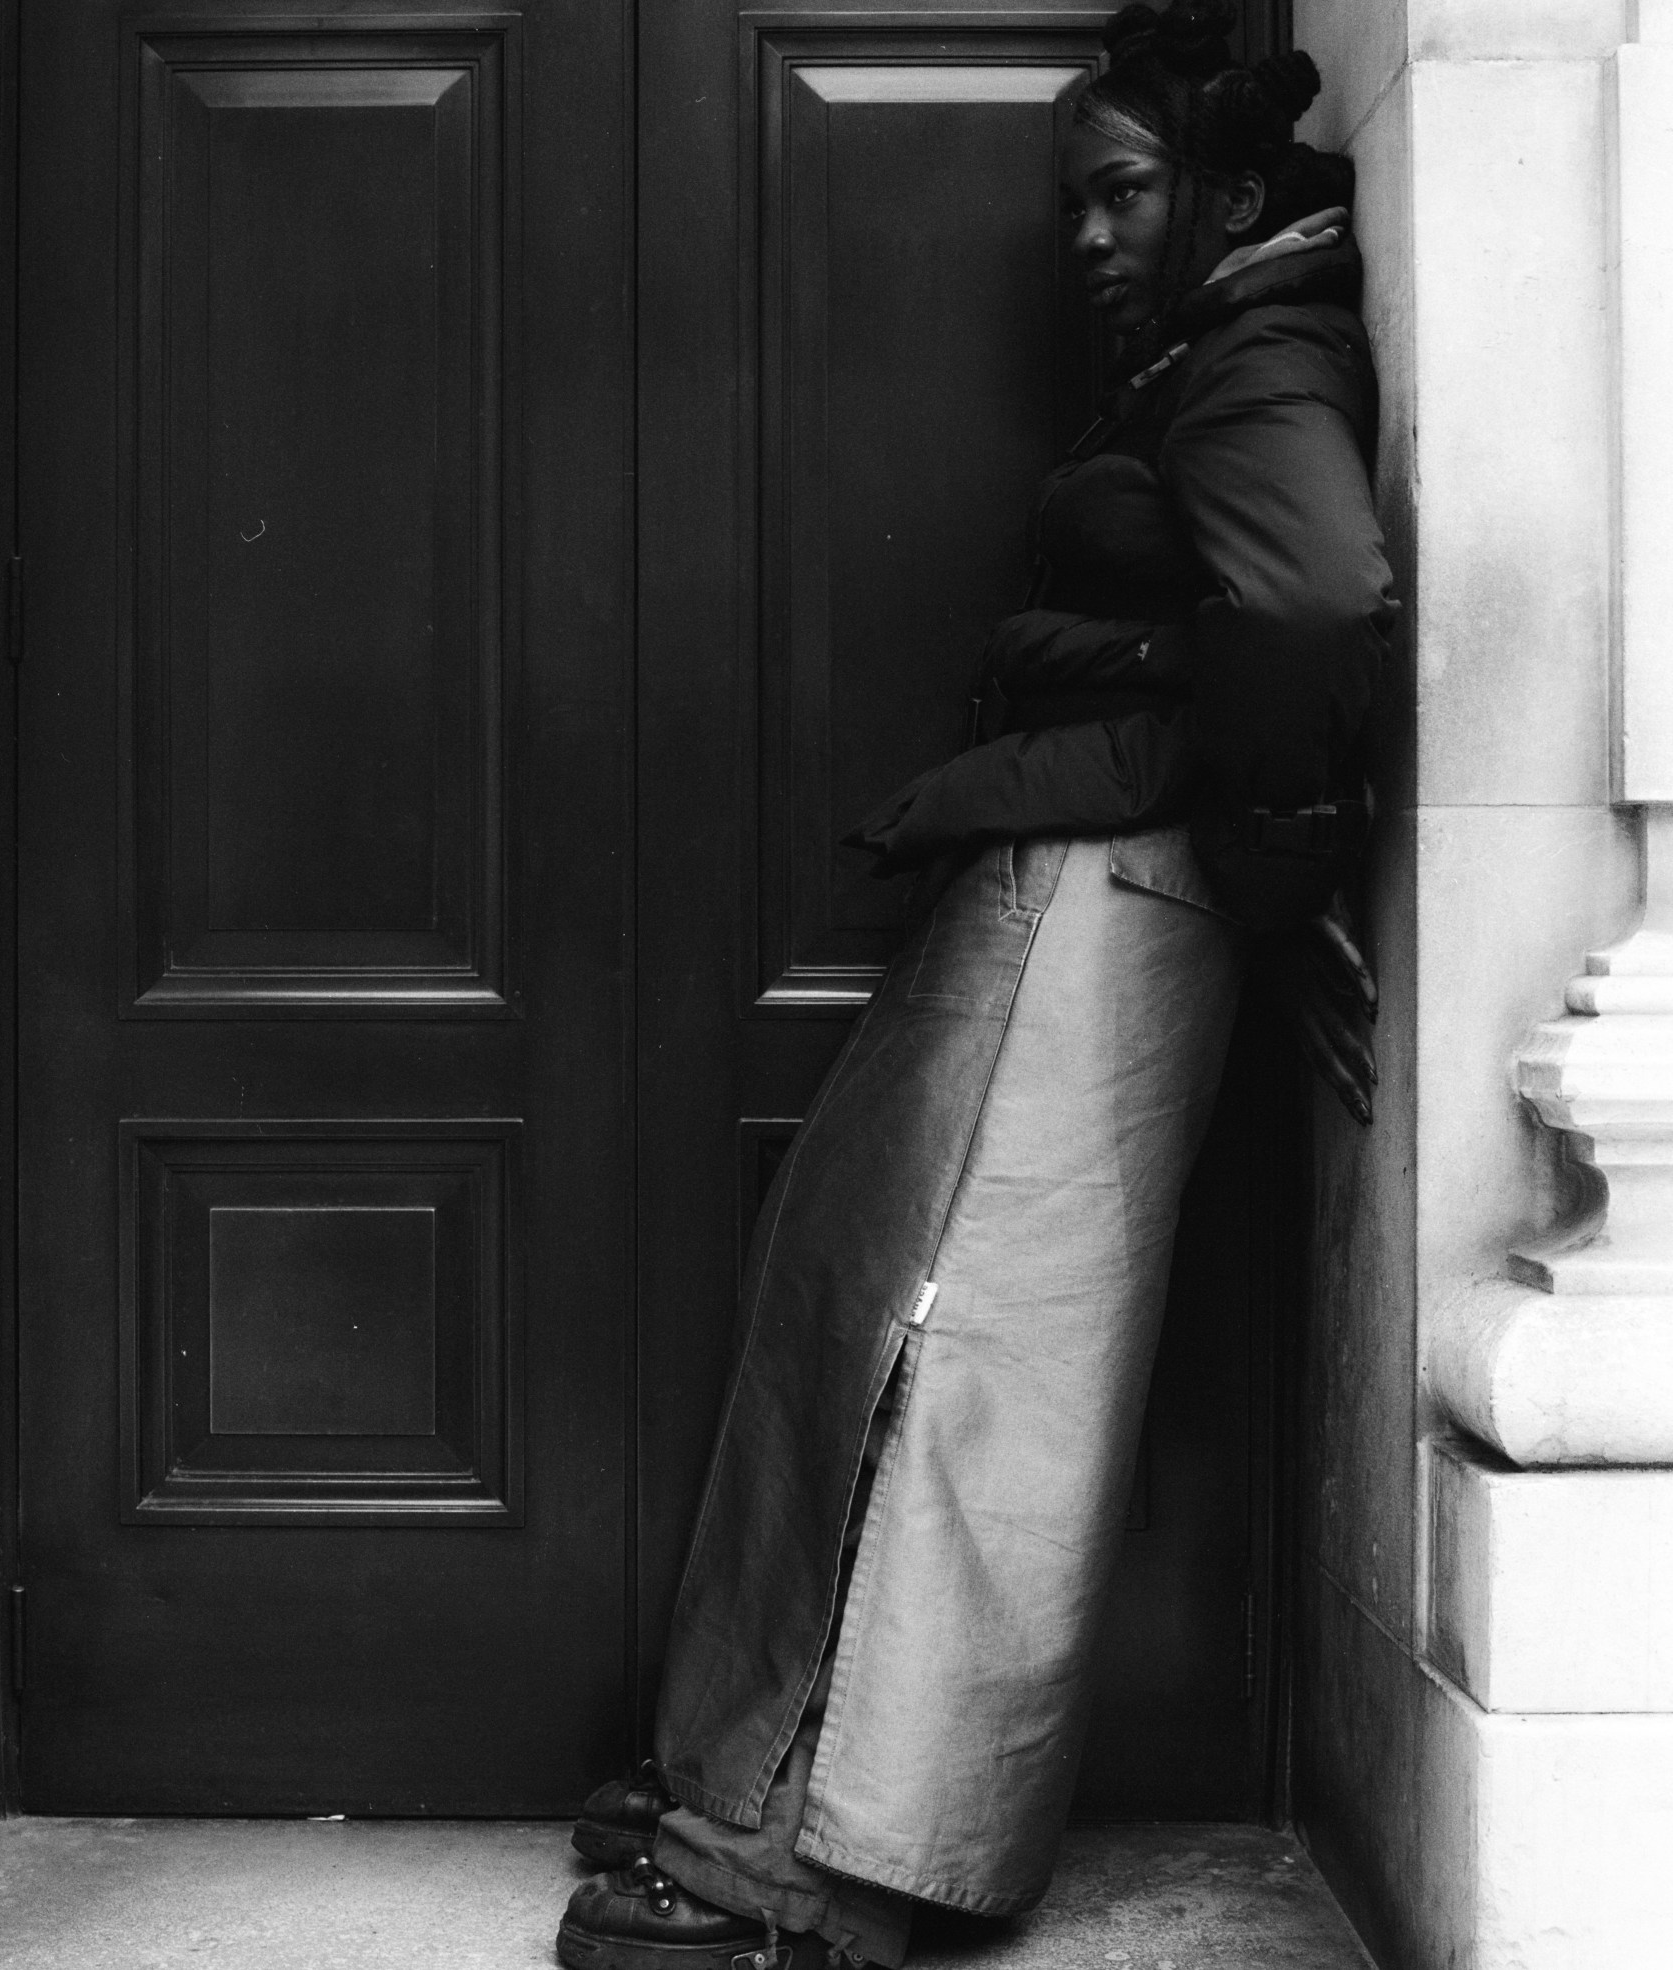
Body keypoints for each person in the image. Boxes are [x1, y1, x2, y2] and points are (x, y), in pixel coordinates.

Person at [558, 4, 1394, 1966]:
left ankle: (824, 1859)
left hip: (1112, 910)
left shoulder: (1261, 363)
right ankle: (761, 1775)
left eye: (1117, 195)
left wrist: (1260, 838)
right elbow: (1237, 617)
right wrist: (1144, 693)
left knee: (957, 1342)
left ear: (1227, 189)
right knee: (875, 1298)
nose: (1087, 240)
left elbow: (1311, 601)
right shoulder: (1217, 355)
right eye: (1076, 208)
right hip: (1070, 897)